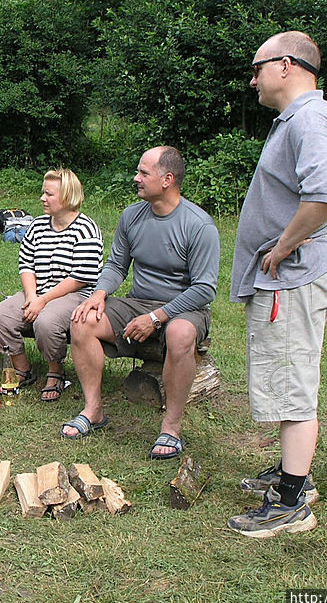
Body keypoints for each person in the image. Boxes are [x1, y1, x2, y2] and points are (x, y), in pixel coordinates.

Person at [227, 31, 327, 538]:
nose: (252, 79)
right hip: (285, 282)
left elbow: (324, 196)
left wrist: (280, 247)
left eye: (256, 68)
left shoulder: (311, 119)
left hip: (292, 280)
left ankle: (292, 501)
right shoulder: (296, 120)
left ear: (286, 65)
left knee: (293, 387)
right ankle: (292, 473)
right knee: (285, 380)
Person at [64, 146, 220, 457]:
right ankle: (93, 410)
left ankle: (171, 428)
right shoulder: (131, 216)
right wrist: (99, 293)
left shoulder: (199, 225)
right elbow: (117, 265)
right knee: (82, 320)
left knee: (180, 333)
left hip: (184, 307)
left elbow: (204, 289)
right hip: (138, 302)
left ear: (167, 179)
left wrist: (157, 317)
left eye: (143, 173)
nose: (136, 178)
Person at [0, 169, 103, 401]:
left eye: (49, 194)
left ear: (68, 196)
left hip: (76, 293)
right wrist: (31, 296)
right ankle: (22, 368)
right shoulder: (37, 226)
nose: (42, 198)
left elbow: (80, 277)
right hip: (38, 290)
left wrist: (43, 300)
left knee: (47, 320)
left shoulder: (86, 229)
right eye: (43, 192)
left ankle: (56, 371)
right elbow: (26, 264)